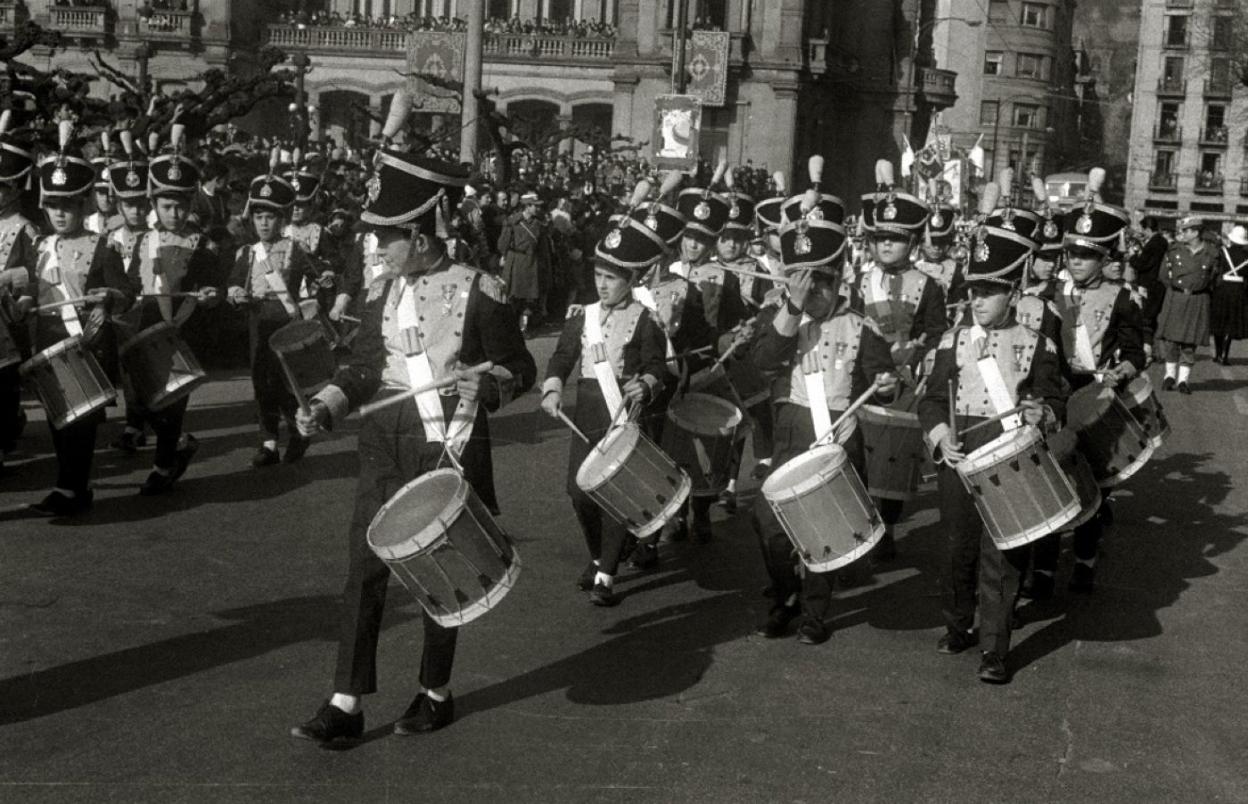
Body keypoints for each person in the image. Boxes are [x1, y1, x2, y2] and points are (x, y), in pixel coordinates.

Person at [289, 135, 535, 744]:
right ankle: (347, 701)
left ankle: (435, 691)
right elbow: (363, 367)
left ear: (420, 238)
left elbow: (519, 366)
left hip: (445, 440)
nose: (376, 248)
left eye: (385, 238)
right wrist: (327, 403)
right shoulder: (381, 293)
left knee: (438, 571)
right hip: (383, 439)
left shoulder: (480, 289)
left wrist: (490, 388)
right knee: (364, 568)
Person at [919, 223, 1067, 684]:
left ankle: (995, 647)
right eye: (972, 292)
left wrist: (1041, 412)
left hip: (1009, 455)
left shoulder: (1037, 342)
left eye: (987, 292)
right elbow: (929, 401)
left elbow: (1054, 401)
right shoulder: (952, 341)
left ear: (1013, 292)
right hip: (961, 451)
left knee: (1003, 555)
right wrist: (942, 435)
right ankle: (958, 624)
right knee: (956, 548)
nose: (976, 301)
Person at [749, 207, 896, 645]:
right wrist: (792, 309)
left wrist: (887, 385)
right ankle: (786, 591)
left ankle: (814, 610)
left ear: (837, 281)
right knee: (768, 522)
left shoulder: (860, 326)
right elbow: (762, 361)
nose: (812, 293)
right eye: (802, 284)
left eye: (820, 285)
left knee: (824, 529)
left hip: (839, 434)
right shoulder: (779, 317)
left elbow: (882, 378)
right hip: (793, 429)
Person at [540, 210, 669, 606]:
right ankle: (600, 556)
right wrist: (552, 387)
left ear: (631, 280)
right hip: (587, 412)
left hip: (624, 414)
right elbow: (562, 358)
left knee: (615, 494)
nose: (603, 284)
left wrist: (645, 386)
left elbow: (656, 368)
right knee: (579, 492)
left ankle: (607, 576)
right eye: (599, 276)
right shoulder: (584, 317)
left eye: (611, 278)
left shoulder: (646, 320)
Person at [1032, 186, 1144, 595]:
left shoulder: (1122, 298)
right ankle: (1042, 571)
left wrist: (1120, 374)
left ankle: (1083, 562)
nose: (1076, 261)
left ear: (1103, 258)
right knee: (1049, 482)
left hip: (1097, 398)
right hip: (1057, 396)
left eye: (1086, 255)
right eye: (1072, 254)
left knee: (1092, 487)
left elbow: (1136, 352)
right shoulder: (1048, 296)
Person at [20, 122, 134, 515]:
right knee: (58, 417)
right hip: (48, 341)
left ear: (84, 204)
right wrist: (21, 302)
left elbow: (127, 292)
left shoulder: (102, 247)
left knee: (80, 422)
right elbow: (30, 292)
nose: (60, 214)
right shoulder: (40, 246)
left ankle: (73, 488)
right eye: (53, 205)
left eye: (68, 205)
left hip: (86, 341)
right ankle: (69, 485)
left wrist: (110, 295)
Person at [854, 159, 947, 559]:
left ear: (912, 242)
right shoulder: (858, 282)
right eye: (880, 239)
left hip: (907, 384)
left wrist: (915, 356)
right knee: (858, 456)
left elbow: (939, 333)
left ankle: (887, 525)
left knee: (892, 461)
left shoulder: (928, 285)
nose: (885, 245)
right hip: (863, 382)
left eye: (896, 239)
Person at [125, 123, 222, 495]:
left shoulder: (203, 244)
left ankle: (164, 466)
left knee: (172, 405)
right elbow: (134, 284)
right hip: (149, 329)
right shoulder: (144, 242)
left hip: (184, 330)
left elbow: (210, 286)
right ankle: (177, 447)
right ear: (154, 205)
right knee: (145, 402)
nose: (175, 213)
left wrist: (211, 295)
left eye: (182, 205)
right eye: (167, 205)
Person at [226, 163, 316, 466]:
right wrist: (235, 293)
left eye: (270, 217)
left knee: (287, 384)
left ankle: (298, 434)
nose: (264, 223)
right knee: (260, 382)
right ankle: (268, 443)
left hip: (286, 322)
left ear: (282, 218)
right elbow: (235, 282)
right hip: (257, 322)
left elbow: (317, 278)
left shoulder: (296, 250)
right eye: (259, 216)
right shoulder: (247, 253)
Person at [104, 130, 154, 454]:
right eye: (128, 205)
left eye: (141, 205)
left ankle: (145, 425)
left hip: (148, 310)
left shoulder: (154, 236)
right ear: (119, 203)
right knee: (127, 371)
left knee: (149, 370)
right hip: (120, 313)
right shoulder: (110, 237)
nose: (135, 211)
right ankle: (133, 423)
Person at [0, 112, 39, 470]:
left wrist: (10, 282)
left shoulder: (24, 228)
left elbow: (36, 271)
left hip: (8, 315)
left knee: (6, 382)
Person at [1156, 216, 1215, 393]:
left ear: (1196, 232)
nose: (1182, 234)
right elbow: (1164, 276)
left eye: (1186, 231)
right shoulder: (1174, 251)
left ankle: (1183, 381)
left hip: (1197, 299)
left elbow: (1214, 279)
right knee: (1171, 341)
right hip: (1176, 298)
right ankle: (1169, 376)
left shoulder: (1212, 253)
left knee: (1190, 343)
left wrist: (1196, 289)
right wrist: (1178, 291)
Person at [498, 191, 551, 334]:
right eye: (535, 206)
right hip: (516, 261)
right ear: (527, 206)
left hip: (531, 262)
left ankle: (523, 327)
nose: (538, 209)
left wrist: (544, 264)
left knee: (529, 297)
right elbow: (502, 244)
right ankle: (510, 327)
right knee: (513, 296)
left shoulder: (538, 224)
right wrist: (504, 255)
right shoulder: (513, 222)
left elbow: (542, 247)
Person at [1128, 215, 1168, 356]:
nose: (1142, 232)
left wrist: (1133, 256)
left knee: (1145, 318)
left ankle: (1148, 348)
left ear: (1149, 228)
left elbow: (1142, 265)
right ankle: (1155, 349)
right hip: (1158, 284)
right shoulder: (1162, 241)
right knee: (1152, 318)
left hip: (1148, 284)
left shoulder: (1153, 244)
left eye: (1143, 229)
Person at [1209, 224, 1247, 365]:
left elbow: (1215, 270)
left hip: (1222, 289)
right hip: (1238, 290)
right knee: (1230, 323)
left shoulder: (1222, 252)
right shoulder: (1246, 256)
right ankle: (1224, 355)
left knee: (1219, 321)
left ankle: (1217, 354)